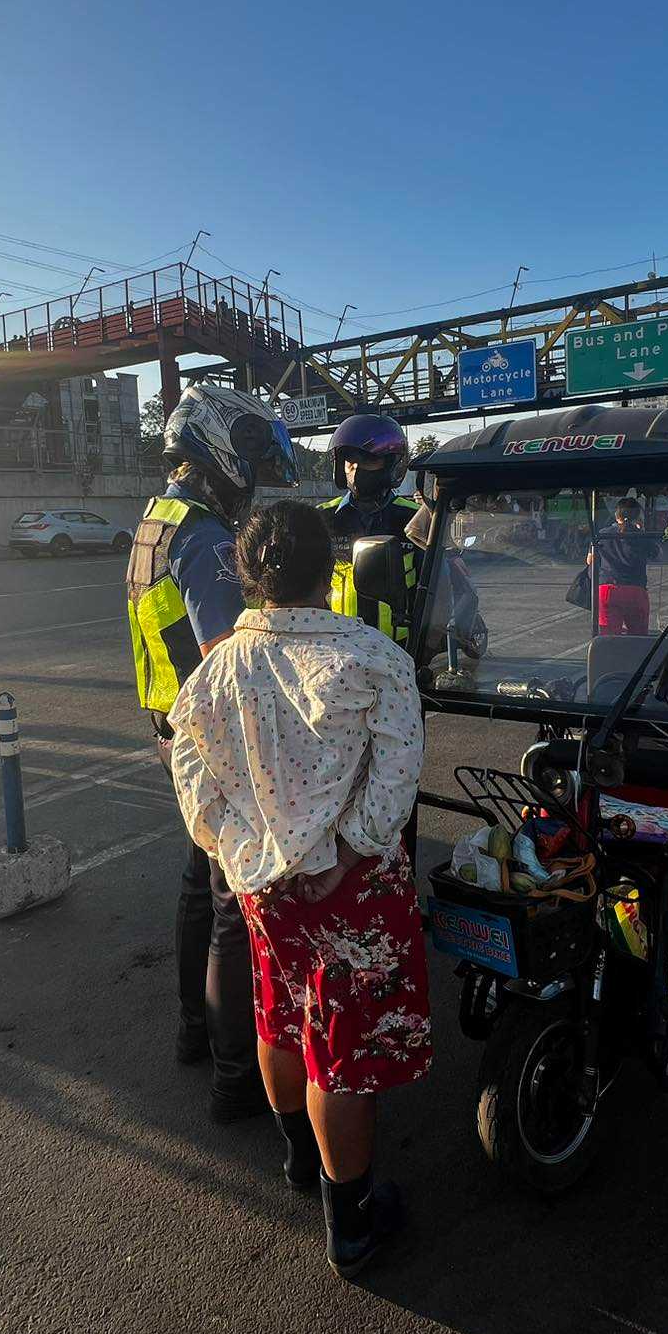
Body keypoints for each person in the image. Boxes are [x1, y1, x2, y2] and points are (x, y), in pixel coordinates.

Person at [167, 499, 427, 1279]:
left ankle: (298, 1163)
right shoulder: (373, 659)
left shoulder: (216, 670)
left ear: (247, 576)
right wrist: (349, 851)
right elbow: (397, 777)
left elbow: (191, 780)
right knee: (341, 1057)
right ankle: (350, 1224)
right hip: (354, 890)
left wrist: (241, 847)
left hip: (262, 886)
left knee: (281, 1015)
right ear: (331, 567)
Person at [125, 383, 299, 1122]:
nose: (251, 478)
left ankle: (194, 1032)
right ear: (218, 448)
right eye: (250, 460)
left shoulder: (155, 518)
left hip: (171, 723)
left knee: (200, 886)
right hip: (212, 732)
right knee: (233, 906)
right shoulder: (200, 534)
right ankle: (237, 1076)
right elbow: (228, 656)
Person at [318, 414, 419, 644]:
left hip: (400, 649)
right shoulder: (322, 518)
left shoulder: (414, 518)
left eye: (367, 460)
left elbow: (439, 589)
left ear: (392, 463)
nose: (355, 469)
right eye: (349, 460)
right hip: (338, 647)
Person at [588, 496, 656, 634]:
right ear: (637, 516)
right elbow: (655, 553)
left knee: (608, 638)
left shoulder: (602, 534)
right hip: (636, 590)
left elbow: (590, 560)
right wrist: (640, 530)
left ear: (616, 514)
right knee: (638, 638)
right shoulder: (641, 536)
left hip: (608, 588)